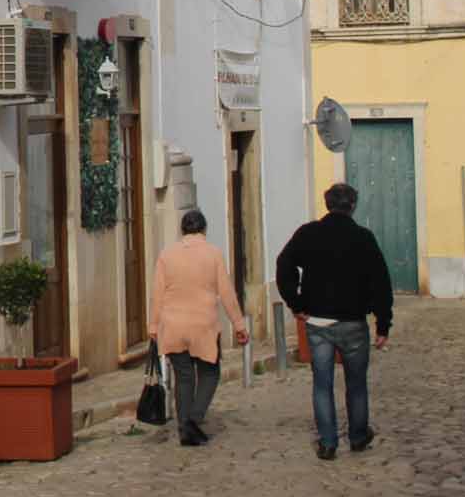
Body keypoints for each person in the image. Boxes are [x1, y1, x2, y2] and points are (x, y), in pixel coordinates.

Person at [274, 182, 394, 461]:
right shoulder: (363, 238)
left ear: (327, 204)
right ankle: (358, 436)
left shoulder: (308, 234)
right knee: (356, 383)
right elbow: (381, 282)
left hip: (318, 322)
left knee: (322, 384)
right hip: (353, 322)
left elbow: (284, 265)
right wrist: (383, 324)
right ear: (352, 206)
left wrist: (297, 304)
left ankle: (328, 442)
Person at [148, 209, 248, 447]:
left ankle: (184, 429)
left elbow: (157, 294)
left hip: (173, 325)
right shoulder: (213, 254)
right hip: (204, 325)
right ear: (204, 230)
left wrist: (153, 325)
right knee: (210, 373)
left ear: (183, 230)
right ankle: (194, 418)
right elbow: (227, 293)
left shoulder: (166, 255)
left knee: (183, 377)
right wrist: (239, 324)